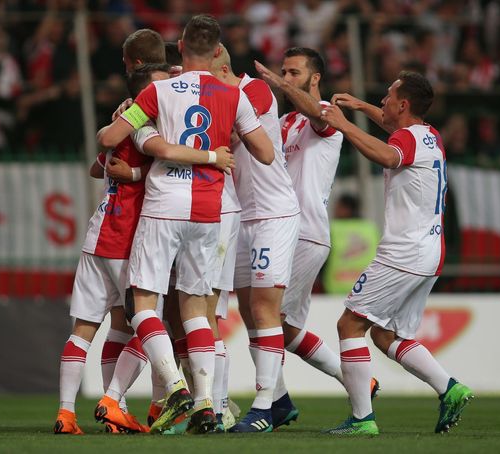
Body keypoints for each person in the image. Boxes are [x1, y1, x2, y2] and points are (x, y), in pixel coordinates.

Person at [95, 14, 275, 435]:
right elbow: (265, 153)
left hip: (163, 205)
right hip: (209, 210)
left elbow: (107, 140)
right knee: (198, 310)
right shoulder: (234, 96)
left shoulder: (158, 90)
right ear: (217, 51)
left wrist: (133, 117)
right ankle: (206, 403)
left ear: (178, 47)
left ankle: (175, 387)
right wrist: (224, 139)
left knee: (145, 302)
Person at [54, 62, 235, 435]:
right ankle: (151, 394)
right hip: (125, 239)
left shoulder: (120, 125)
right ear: (145, 94)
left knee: (90, 329)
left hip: (96, 239)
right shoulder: (143, 126)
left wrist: (127, 165)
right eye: (162, 85)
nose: (170, 89)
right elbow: (167, 152)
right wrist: (215, 156)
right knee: (145, 320)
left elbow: (97, 166)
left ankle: (67, 414)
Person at [319, 71, 473, 436]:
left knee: (349, 325)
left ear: (403, 104)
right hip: (430, 252)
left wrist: (344, 124)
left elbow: (389, 156)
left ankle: (361, 419)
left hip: (403, 252)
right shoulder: (430, 135)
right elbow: (394, 132)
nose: (383, 102)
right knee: (387, 336)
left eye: (388, 97)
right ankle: (450, 388)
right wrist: (360, 108)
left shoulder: (405, 140)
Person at [255, 49, 384, 429]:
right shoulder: (283, 122)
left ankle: (272, 404)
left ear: (314, 79)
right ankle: (357, 382)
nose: (285, 78)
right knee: (285, 328)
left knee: (269, 318)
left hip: (306, 231)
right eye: (282, 72)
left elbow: (318, 115)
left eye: (294, 73)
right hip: (280, 229)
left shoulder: (324, 113)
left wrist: (277, 86)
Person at [210, 44, 301, 433]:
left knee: (264, 307)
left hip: (273, 215)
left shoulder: (255, 91)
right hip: (243, 218)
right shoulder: (219, 94)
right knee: (249, 312)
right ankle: (279, 400)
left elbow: (226, 133)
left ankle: (262, 406)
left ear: (221, 60)